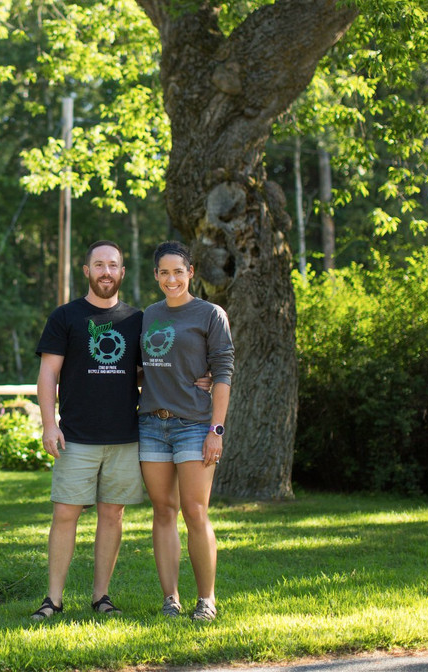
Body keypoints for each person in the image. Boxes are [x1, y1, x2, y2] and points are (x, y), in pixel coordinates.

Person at [30, 240, 145, 621]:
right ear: (87, 270)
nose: (106, 272)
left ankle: (101, 597)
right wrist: (50, 424)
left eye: (113, 265)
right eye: (99, 265)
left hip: (124, 436)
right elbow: (48, 374)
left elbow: (151, 370)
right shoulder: (66, 317)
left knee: (112, 516)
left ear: (122, 272)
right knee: (65, 513)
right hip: (75, 436)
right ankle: (53, 600)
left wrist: (199, 378)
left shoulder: (138, 320)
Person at [138, 240, 233, 622]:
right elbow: (142, 367)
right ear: (156, 275)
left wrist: (216, 430)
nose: (171, 279)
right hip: (151, 424)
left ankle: (206, 600)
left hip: (194, 425)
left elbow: (223, 373)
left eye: (178, 271)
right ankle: (171, 599)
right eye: (164, 272)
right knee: (163, 510)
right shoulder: (148, 315)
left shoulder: (210, 314)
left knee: (195, 511)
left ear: (191, 272)